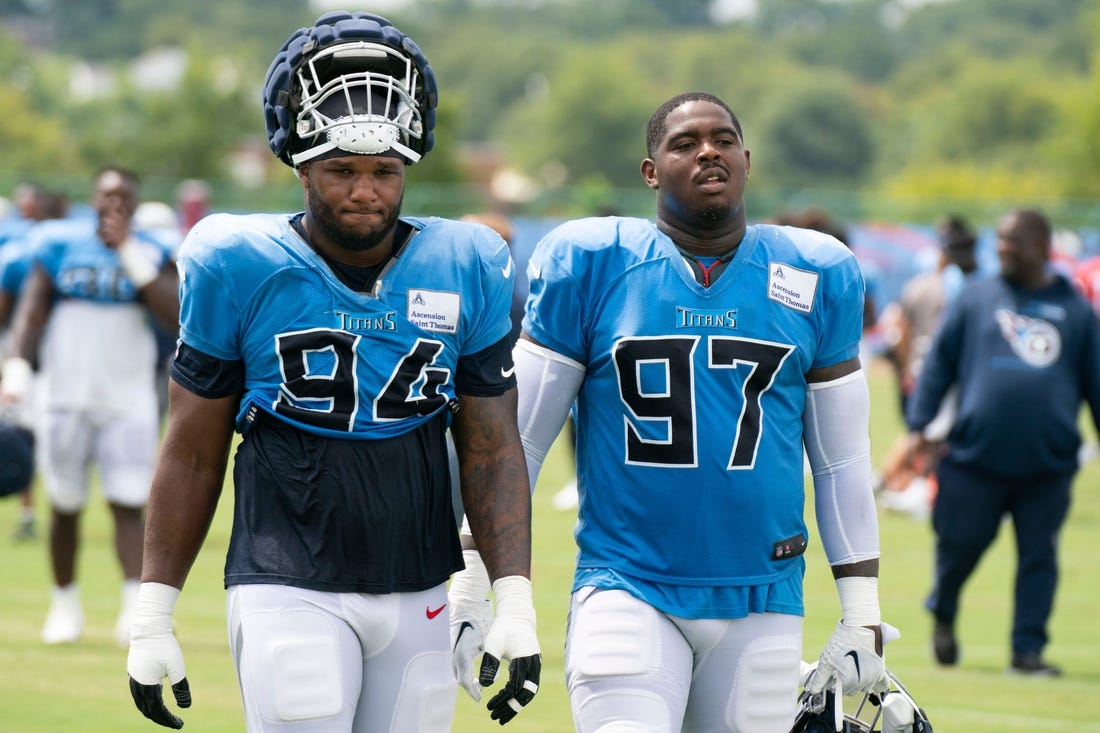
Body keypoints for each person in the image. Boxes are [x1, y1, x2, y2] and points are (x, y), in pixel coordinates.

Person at [123, 11, 540, 731]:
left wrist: (509, 595)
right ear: (302, 167)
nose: (364, 191)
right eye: (341, 170)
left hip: (418, 580)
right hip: (286, 572)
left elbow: (491, 446)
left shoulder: (466, 260)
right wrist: (153, 610)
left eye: (384, 171)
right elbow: (192, 450)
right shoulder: (237, 261)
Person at [450, 91, 891, 732]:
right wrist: (473, 582)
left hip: (764, 594)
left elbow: (843, 461)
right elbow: (514, 442)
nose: (708, 150)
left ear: (747, 158)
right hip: (627, 582)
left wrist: (862, 610)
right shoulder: (593, 263)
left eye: (723, 139)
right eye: (684, 143)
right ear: (650, 171)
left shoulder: (817, 271)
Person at [905, 208, 1100, 676]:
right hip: (975, 460)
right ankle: (944, 610)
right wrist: (919, 424)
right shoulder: (976, 299)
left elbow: (1095, 380)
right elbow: (938, 366)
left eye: (1013, 242)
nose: (1002, 249)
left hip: (1047, 465)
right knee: (960, 548)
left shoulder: (1074, 308)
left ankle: (1027, 651)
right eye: (1001, 241)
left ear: (1041, 244)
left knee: (1039, 558)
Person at [0, 167, 175, 648]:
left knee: (129, 504)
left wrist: (127, 251)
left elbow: (174, 313)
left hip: (127, 396)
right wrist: (16, 368)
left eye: (122, 196)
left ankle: (131, 608)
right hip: (63, 394)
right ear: (92, 199)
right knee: (65, 503)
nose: (112, 204)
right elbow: (31, 311)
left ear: (135, 204)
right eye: (105, 195)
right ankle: (64, 605)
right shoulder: (58, 245)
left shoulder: (154, 251)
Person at [876, 215, 978, 519]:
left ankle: (911, 486)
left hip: (920, 367)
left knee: (927, 432)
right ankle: (887, 482)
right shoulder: (962, 287)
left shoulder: (918, 285)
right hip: (945, 372)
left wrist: (906, 366)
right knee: (928, 434)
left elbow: (896, 328)